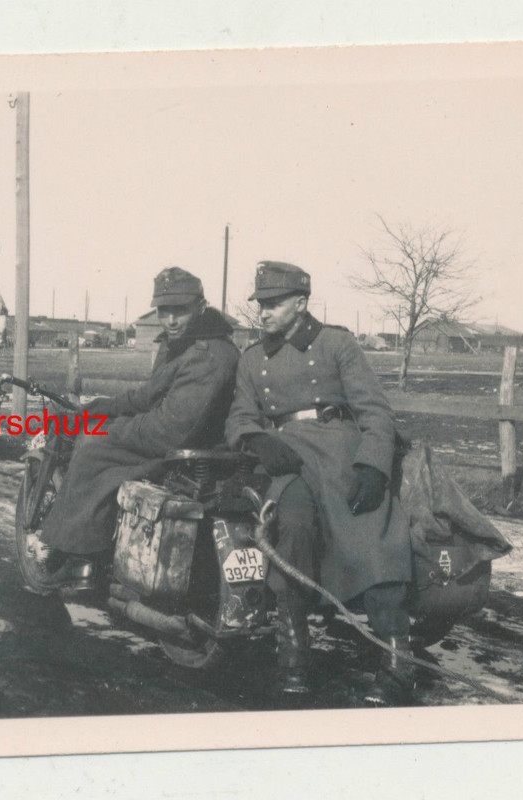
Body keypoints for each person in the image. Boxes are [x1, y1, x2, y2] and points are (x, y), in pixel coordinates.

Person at [225, 261, 414, 704]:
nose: (264, 312)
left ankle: (398, 662)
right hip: (288, 456)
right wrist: (255, 439)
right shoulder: (253, 358)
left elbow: (375, 411)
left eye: (274, 303)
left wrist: (372, 465)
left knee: (374, 536)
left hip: (342, 452)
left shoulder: (337, 344)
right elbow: (240, 413)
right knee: (291, 527)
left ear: (301, 303)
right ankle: (294, 655)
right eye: (261, 304)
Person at [35, 267, 240, 589]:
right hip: (176, 441)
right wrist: (103, 408)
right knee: (96, 434)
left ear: (201, 307)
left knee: (93, 450)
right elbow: (147, 396)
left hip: (191, 453)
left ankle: (82, 560)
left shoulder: (208, 354)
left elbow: (172, 429)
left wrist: (112, 427)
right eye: (164, 311)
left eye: (180, 311)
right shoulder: (182, 344)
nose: (171, 320)